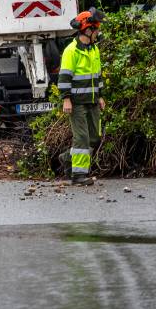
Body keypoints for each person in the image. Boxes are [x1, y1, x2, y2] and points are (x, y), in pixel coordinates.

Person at [59, 9, 105, 185]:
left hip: (92, 101)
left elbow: (98, 75)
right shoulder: (71, 51)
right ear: (87, 30)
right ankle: (78, 175)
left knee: (94, 137)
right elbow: (64, 78)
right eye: (96, 30)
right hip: (76, 103)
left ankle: (66, 158)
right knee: (82, 138)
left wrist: (100, 96)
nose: (98, 33)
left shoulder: (94, 49)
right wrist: (66, 99)